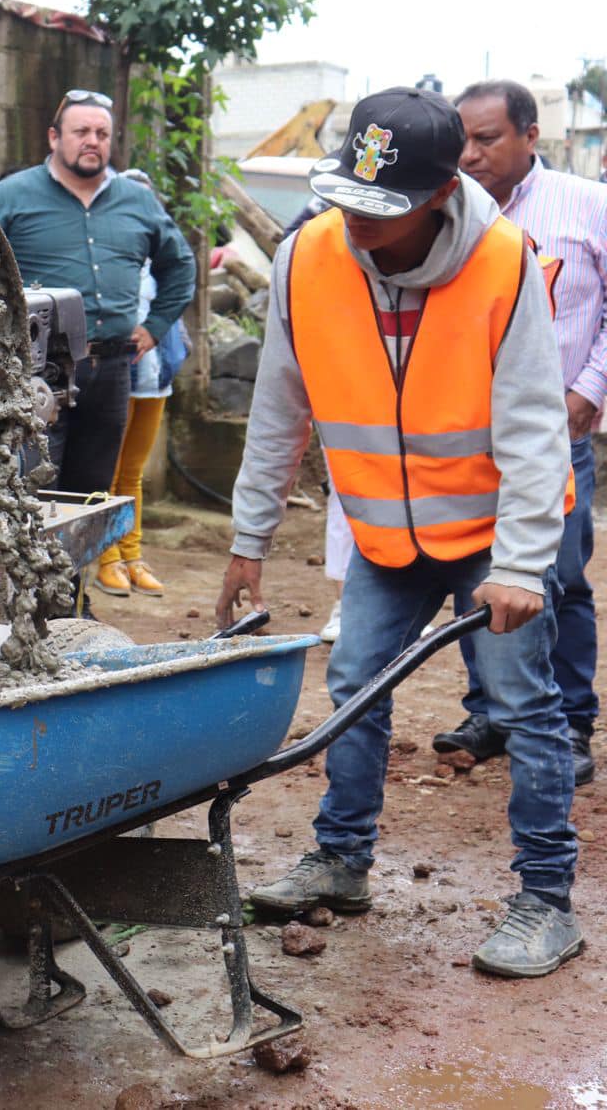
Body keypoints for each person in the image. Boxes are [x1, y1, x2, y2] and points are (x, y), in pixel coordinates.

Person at [216, 88, 583, 978]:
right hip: (387, 536)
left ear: (439, 194)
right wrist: (247, 538)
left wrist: (525, 564)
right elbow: (278, 410)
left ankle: (546, 899)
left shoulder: (503, 264)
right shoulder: (308, 259)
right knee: (353, 688)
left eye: (381, 207)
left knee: (524, 706)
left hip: (496, 536)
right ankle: (341, 861)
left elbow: (537, 423)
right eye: (347, 195)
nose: (353, 220)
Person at [432, 80, 607, 787]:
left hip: (553, 432)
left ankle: (568, 722)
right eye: (463, 141)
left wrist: (587, 391)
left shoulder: (585, 205)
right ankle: (494, 711)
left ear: (531, 135)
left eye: (487, 139)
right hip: (467, 438)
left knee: (555, 576)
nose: (471, 155)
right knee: (475, 575)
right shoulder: (448, 212)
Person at [0, 89, 195, 508]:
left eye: (102, 133)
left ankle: (75, 576)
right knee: (30, 495)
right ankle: (27, 575)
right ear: (54, 138)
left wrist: (155, 327)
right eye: (81, 131)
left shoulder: (137, 201)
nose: (92, 141)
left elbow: (181, 266)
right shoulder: (11, 197)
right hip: (36, 373)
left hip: (112, 371)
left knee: (90, 499)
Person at [92, 167, 191, 597]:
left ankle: (132, 556)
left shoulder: (161, 257)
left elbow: (178, 289)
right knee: (105, 472)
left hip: (153, 375)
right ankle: (105, 558)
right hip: (115, 371)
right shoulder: (107, 251)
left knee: (131, 473)